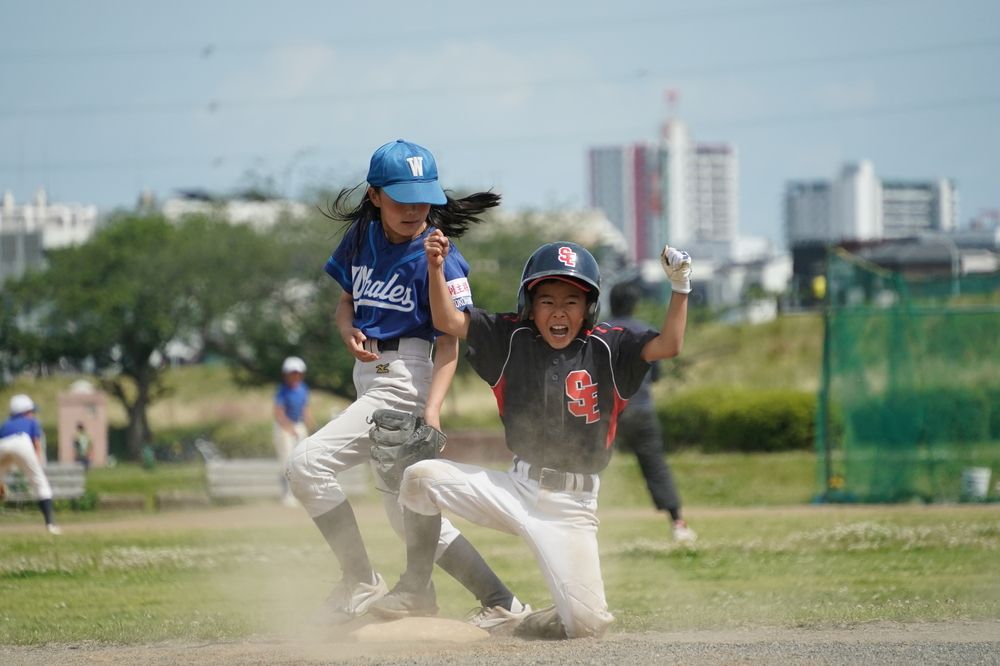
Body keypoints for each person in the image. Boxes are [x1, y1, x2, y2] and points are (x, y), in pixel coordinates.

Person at [369, 233, 690, 639]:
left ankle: (521, 620)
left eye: (572, 301)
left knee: (587, 625)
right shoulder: (511, 337)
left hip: (572, 508)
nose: (559, 312)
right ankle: (417, 588)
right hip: (517, 488)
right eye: (547, 301)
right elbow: (448, 321)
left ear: (589, 308)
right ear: (530, 305)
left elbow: (670, 345)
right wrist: (435, 268)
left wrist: (680, 287)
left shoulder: (610, 346)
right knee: (419, 478)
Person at [285, 139, 525, 627]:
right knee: (408, 513)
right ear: (375, 196)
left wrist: (431, 410)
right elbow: (346, 303)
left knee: (306, 464)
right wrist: (346, 329)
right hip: (370, 378)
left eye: (423, 198)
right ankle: (502, 602)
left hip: (406, 380)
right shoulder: (362, 237)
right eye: (402, 198)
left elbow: (450, 341)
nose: (415, 209)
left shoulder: (438, 255)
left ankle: (360, 580)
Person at [607, 281, 696, 543]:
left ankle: (568, 515)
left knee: (588, 464)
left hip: (607, 412)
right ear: (634, 304)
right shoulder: (646, 331)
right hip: (641, 410)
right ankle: (678, 522)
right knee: (655, 466)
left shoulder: (600, 332)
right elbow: (655, 375)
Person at [0, 394, 62, 535]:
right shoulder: (32, 421)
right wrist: (38, 462)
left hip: (2, 445)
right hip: (22, 442)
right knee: (39, 482)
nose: (32, 413)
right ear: (24, 412)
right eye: (30, 411)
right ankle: (50, 525)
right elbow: (36, 443)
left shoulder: (5, 424)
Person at [274, 356, 314, 506]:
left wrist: (311, 424)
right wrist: (290, 429)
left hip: (299, 426)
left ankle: (301, 493)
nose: (295, 376)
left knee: (302, 461)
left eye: (297, 373)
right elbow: (279, 413)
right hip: (284, 427)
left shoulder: (303, 389)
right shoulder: (282, 391)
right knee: (287, 462)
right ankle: (287, 494)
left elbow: (305, 409)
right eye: (292, 373)